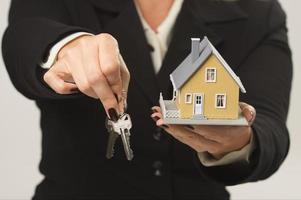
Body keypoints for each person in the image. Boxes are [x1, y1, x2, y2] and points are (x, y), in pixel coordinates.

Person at [2, 0, 292, 199]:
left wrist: (238, 143)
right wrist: (63, 47)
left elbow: (270, 129)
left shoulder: (259, 11)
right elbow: (22, 38)